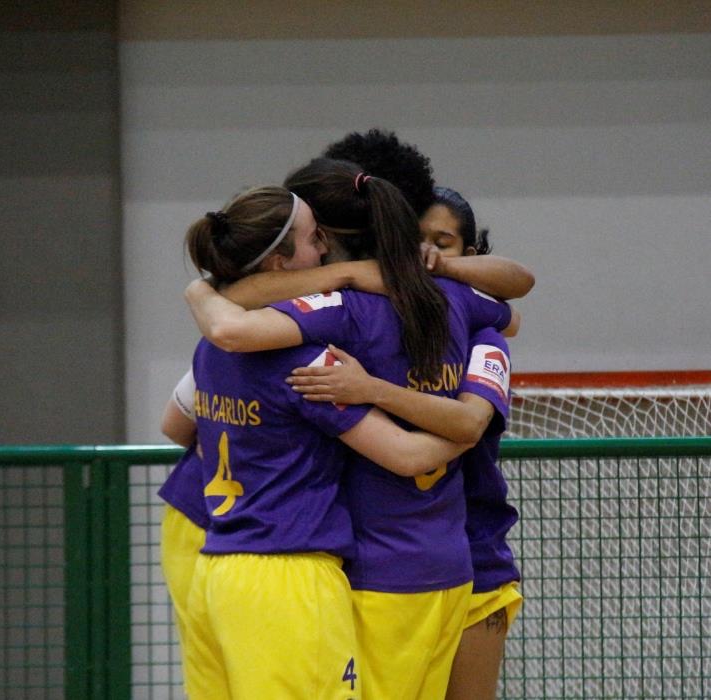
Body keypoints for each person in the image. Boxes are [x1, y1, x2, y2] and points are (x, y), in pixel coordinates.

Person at [185, 162, 518, 699]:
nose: (318, 250)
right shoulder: (458, 319)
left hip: (234, 565)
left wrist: (201, 292)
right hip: (416, 566)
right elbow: (513, 303)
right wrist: (461, 425)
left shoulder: (223, 345)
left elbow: (179, 414)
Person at [289, 185, 523, 700]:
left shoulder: (481, 331)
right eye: (414, 240)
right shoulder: (356, 320)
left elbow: (468, 422)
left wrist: (372, 389)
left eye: (444, 242)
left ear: (469, 255)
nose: (425, 253)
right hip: (376, 562)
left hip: (472, 553)